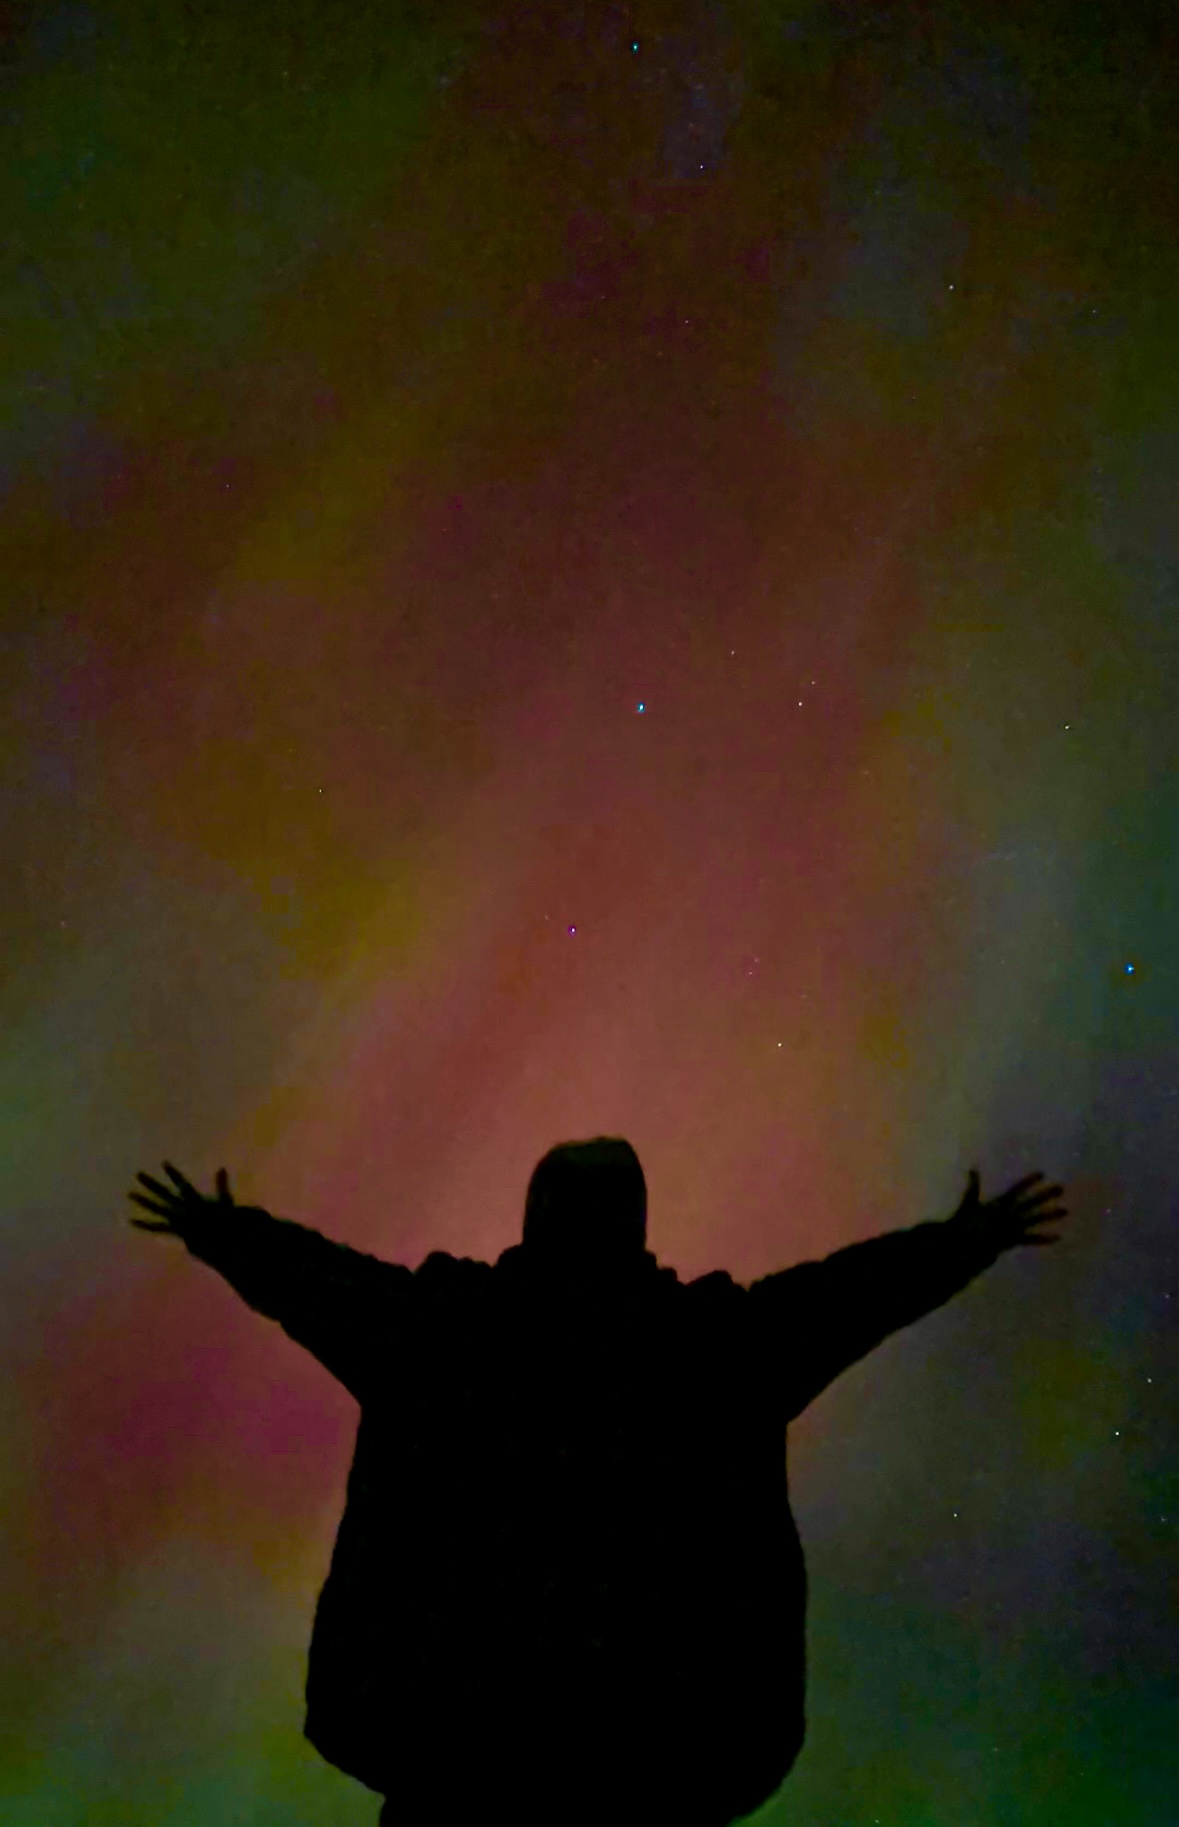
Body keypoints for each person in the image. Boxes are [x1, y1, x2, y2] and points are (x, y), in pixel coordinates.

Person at [128, 1136, 1067, 1826]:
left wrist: (220, 1229)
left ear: (533, 1212)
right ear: (634, 1220)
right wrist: (964, 1241)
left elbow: (316, 1281)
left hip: (458, 1760)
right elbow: (848, 1297)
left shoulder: (439, 1331)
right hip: (649, 1768)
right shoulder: (713, 1349)